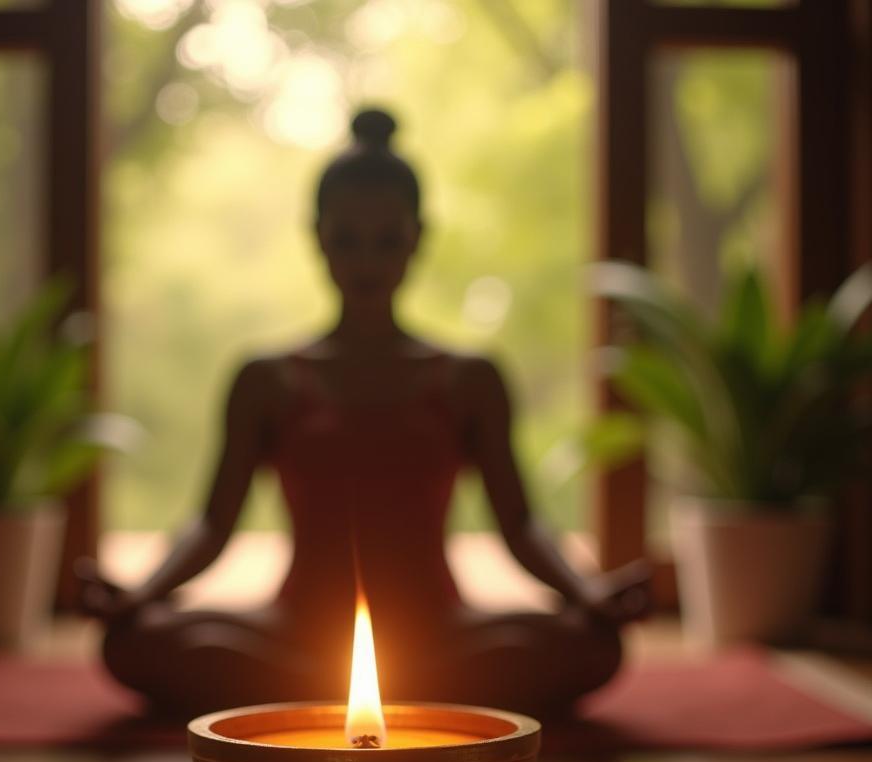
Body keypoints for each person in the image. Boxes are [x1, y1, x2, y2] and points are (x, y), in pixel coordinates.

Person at [77, 108, 650, 720]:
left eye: (387, 241)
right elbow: (212, 524)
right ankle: (396, 701)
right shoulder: (266, 380)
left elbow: (521, 524)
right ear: (317, 237)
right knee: (134, 643)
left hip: (438, 634)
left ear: (418, 239)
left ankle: (319, 703)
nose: (367, 263)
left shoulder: (469, 379)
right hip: (296, 632)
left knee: (591, 645)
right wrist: (140, 594)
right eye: (348, 240)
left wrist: (588, 594)